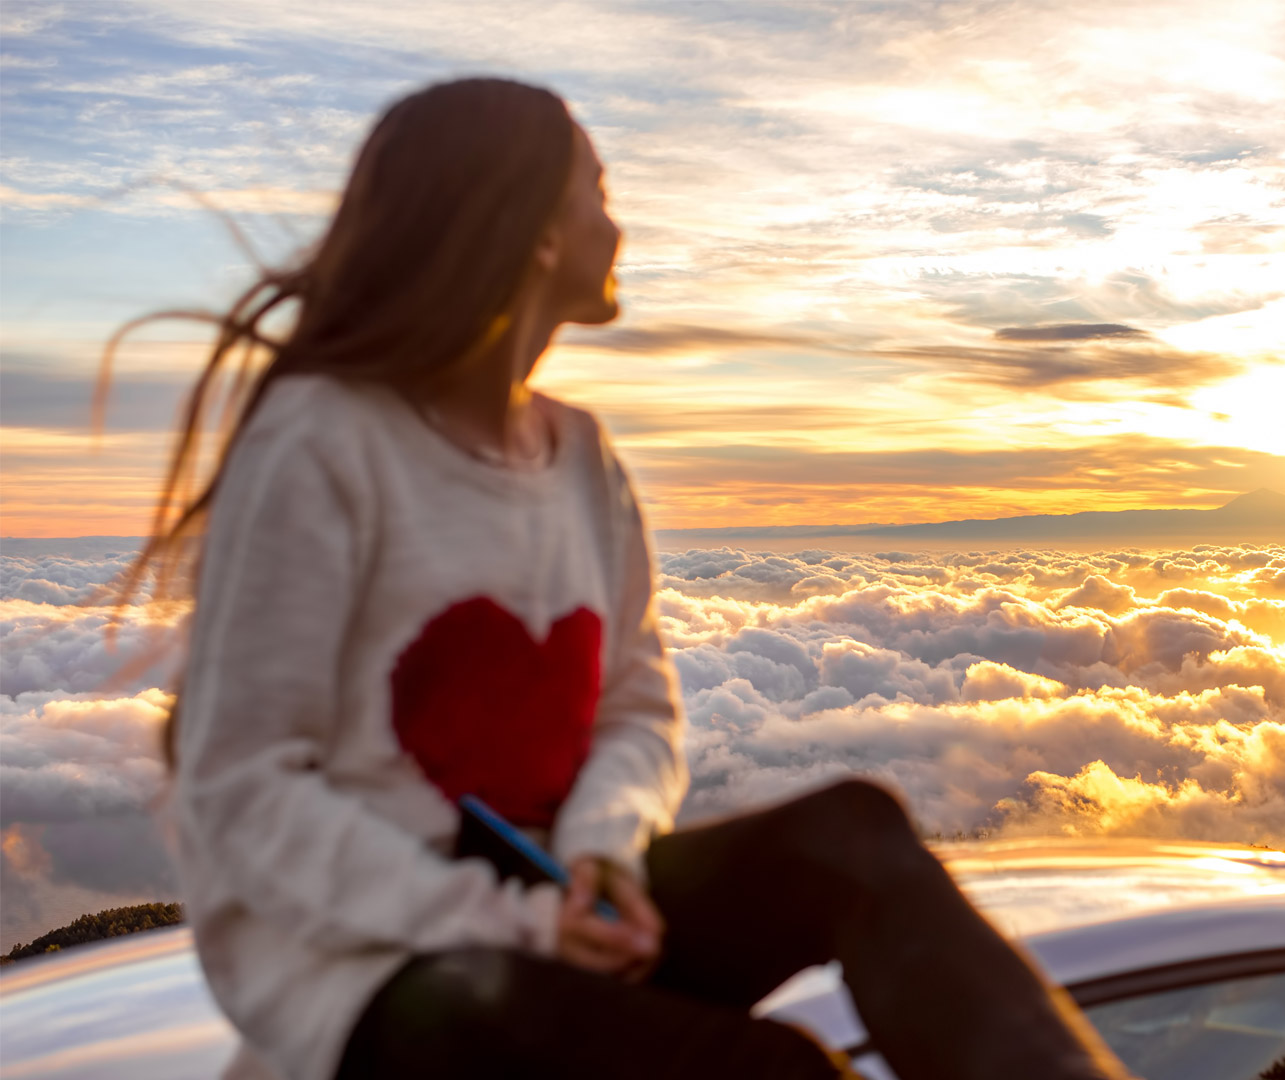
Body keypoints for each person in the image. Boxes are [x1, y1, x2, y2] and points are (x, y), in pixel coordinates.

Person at [129, 78, 1132, 1080]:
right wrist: (511, 921)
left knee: (852, 839)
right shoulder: (321, 440)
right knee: (777, 1069)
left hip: (556, 916)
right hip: (383, 988)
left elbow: (638, 711)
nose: (618, 226)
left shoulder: (581, 459)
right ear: (537, 235)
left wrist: (606, 857)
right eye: (597, 193)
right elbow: (240, 786)